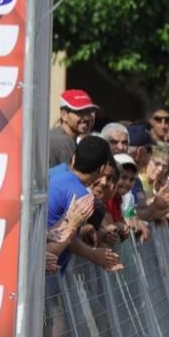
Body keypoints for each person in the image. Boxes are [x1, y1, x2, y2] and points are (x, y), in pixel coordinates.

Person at [47, 136, 120, 272]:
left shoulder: (52, 175)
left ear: (74, 158)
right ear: (102, 169)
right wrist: (93, 254)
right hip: (49, 268)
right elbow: (69, 236)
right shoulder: (82, 198)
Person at [49, 90, 98, 168]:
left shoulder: (59, 137)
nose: (86, 117)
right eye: (80, 112)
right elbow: (70, 178)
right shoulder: (64, 143)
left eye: (89, 112)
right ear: (64, 115)